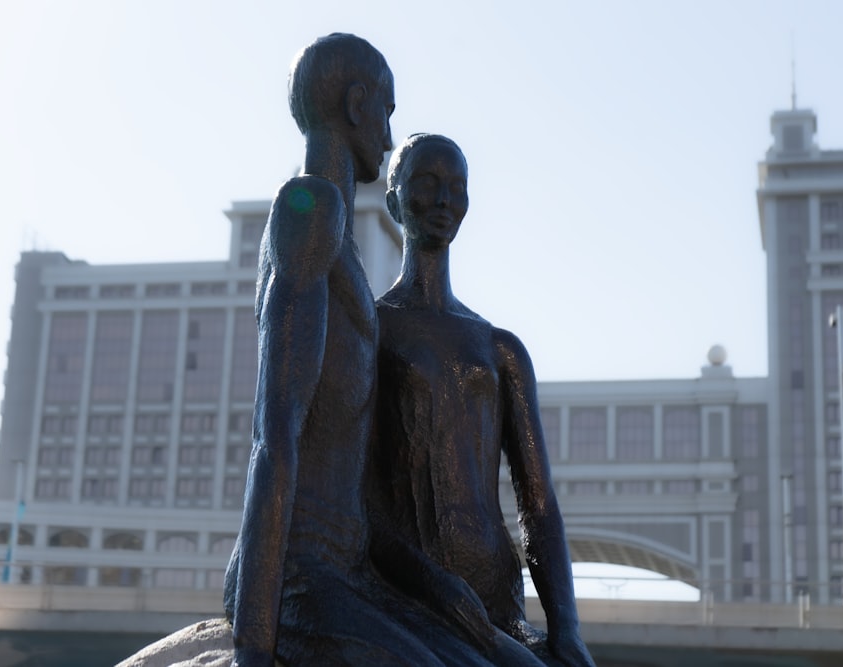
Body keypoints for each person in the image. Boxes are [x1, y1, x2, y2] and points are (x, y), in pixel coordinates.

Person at [223, 36, 506, 667]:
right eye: (387, 110)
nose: (389, 132)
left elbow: (356, 483)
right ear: (357, 105)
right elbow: (276, 435)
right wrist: (251, 642)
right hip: (301, 576)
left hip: (355, 571)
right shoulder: (310, 208)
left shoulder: (345, 248)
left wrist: (436, 584)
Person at [370, 133, 595, 667]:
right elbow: (356, 496)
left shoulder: (500, 349)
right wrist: (434, 585)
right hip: (409, 590)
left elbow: (538, 507)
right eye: (427, 183)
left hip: (495, 594)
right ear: (393, 198)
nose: (444, 200)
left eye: (457, 187)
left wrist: (566, 629)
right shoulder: (372, 332)